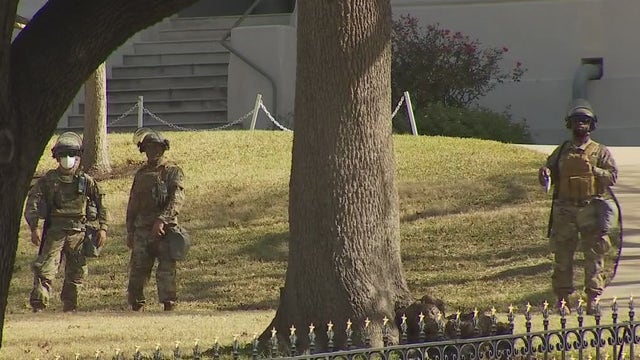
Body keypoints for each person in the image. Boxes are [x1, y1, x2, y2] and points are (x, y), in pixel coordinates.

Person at [538, 98, 619, 315]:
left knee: (594, 256)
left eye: (585, 121)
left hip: (590, 208)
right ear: (570, 124)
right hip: (565, 209)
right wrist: (544, 173)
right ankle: (563, 300)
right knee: (562, 256)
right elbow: (550, 174)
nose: (580, 124)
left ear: (591, 125)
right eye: (576, 120)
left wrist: (594, 171)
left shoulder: (600, 151)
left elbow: (612, 177)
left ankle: (593, 299)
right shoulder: (562, 150)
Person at [24, 132, 109, 313]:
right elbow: (33, 202)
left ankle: (70, 307)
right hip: (55, 231)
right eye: (63, 155)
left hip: (78, 233)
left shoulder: (86, 181)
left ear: (78, 158)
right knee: (45, 269)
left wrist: (103, 228)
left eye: (72, 155)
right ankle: (39, 306)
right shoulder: (48, 180)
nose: (68, 159)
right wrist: (34, 227)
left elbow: (101, 203)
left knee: (76, 273)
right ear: (57, 157)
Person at [126, 128, 185, 311]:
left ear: (163, 149)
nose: (152, 152)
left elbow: (177, 199)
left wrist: (162, 220)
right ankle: (137, 305)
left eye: (156, 148)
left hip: (165, 230)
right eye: (149, 148)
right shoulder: (141, 174)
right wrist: (130, 230)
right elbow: (133, 203)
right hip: (142, 229)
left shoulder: (172, 171)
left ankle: (169, 304)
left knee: (166, 269)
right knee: (138, 270)